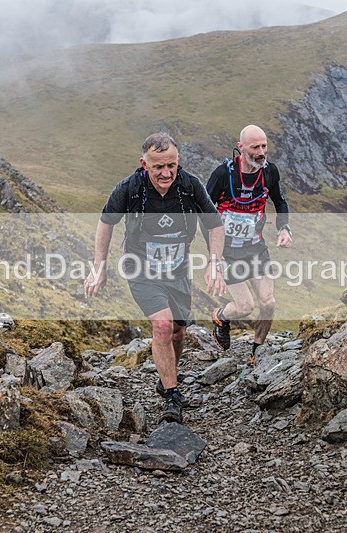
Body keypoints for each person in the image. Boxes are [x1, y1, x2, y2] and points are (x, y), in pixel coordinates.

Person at [85, 133, 227, 424]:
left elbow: (215, 224)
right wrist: (99, 265)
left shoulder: (190, 186)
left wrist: (215, 261)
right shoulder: (129, 188)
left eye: (171, 165)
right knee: (162, 326)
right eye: (158, 167)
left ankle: (166, 377)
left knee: (177, 331)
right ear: (144, 163)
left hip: (178, 270)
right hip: (140, 268)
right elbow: (106, 223)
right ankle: (172, 396)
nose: (166, 173)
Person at [205, 125, 292, 366]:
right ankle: (221, 317)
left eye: (264, 146)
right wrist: (215, 257)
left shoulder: (269, 172)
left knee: (268, 302)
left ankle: (258, 350)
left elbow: (280, 202)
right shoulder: (223, 174)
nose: (261, 151)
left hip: (255, 248)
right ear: (241, 147)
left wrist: (284, 228)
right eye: (255, 147)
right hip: (228, 251)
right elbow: (203, 215)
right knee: (244, 306)